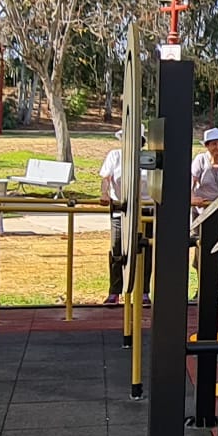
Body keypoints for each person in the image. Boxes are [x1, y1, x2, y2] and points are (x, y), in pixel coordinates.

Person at [98, 128, 131, 305]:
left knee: (145, 252)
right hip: (120, 209)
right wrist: (105, 194)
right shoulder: (115, 155)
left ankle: (144, 292)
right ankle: (115, 291)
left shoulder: (146, 157)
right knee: (117, 249)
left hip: (145, 210)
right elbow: (106, 177)